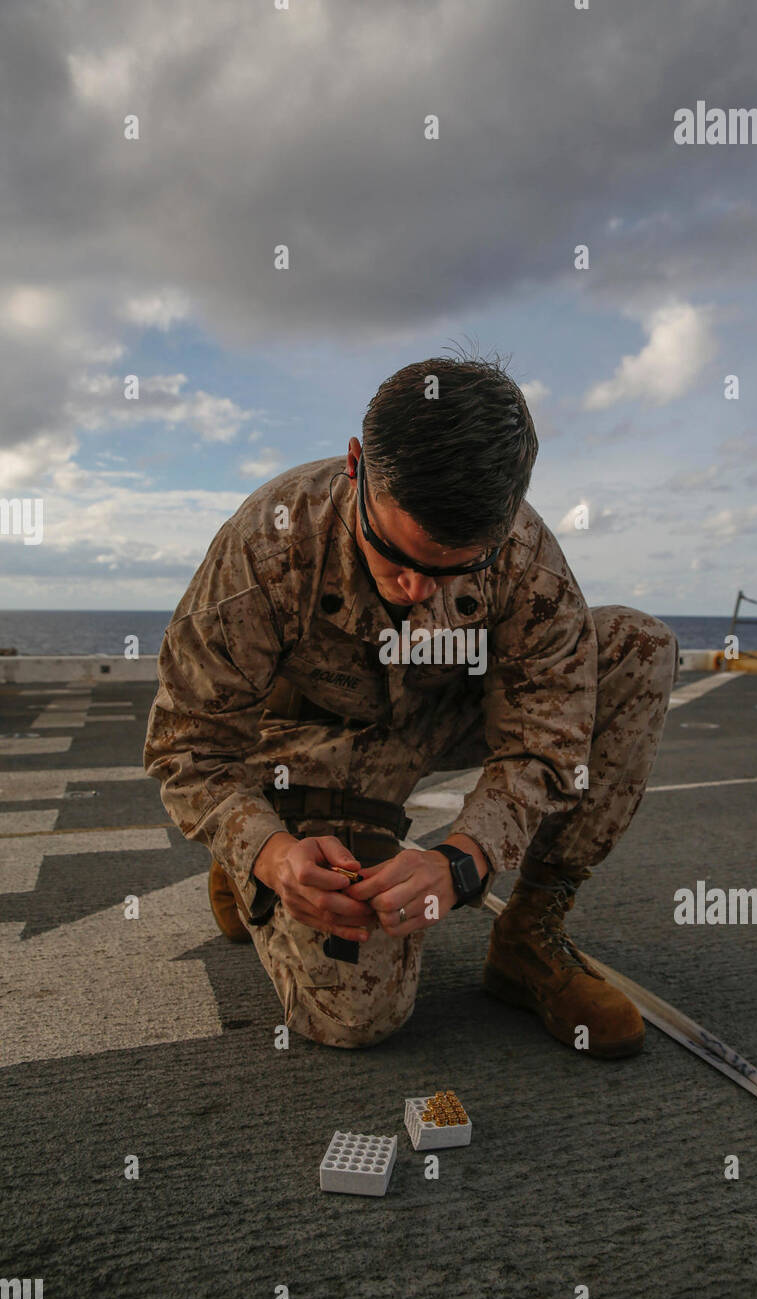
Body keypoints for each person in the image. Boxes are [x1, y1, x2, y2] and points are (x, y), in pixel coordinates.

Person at [143, 352, 677, 1057]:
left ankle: (529, 934)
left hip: (446, 716)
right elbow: (188, 743)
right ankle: (261, 854)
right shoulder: (268, 541)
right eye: (395, 554)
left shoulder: (525, 552)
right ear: (356, 463)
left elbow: (547, 736)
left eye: (457, 567)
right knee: (358, 1019)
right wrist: (268, 852)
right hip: (315, 745)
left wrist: (463, 862)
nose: (417, 589)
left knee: (637, 645)